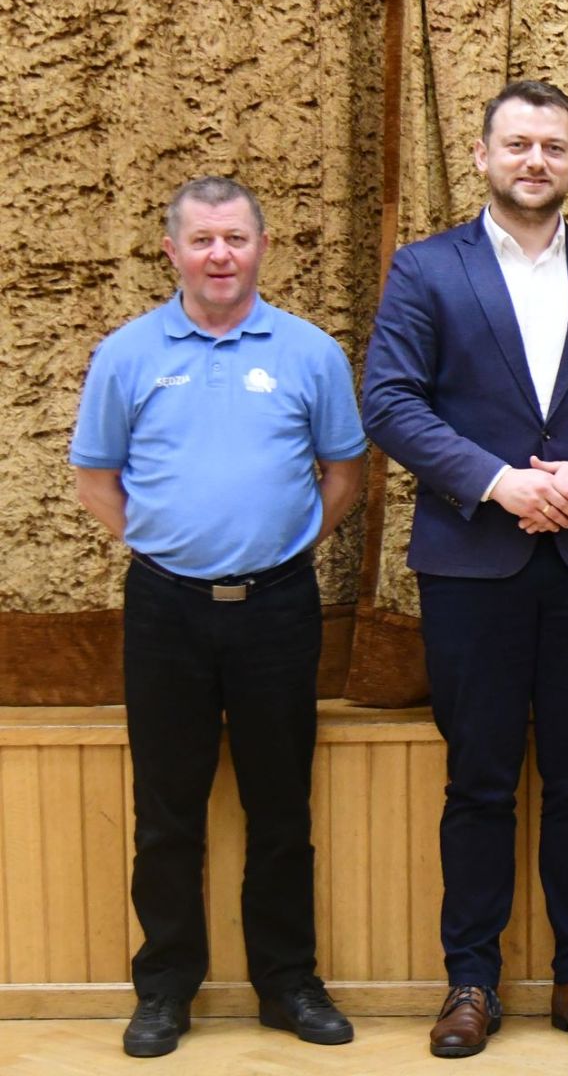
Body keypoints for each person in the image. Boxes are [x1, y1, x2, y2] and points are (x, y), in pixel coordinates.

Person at [362, 80, 568, 1058]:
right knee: (479, 782)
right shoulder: (426, 269)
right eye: (517, 144)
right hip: (471, 565)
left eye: (553, 145)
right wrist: (497, 483)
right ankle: (471, 982)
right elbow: (390, 402)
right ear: (482, 155)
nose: (535, 160)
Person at [71, 176, 364, 1058]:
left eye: (235, 238)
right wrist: (170, 547)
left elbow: (344, 475)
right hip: (166, 611)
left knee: (281, 809)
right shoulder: (126, 354)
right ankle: (164, 989)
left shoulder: (311, 353)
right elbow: (95, 482)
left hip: (278, 608)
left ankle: (289, 983)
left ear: (263, 247)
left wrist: (281, 545)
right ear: (172, 251)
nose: (220, 255)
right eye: (202, 240)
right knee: (167, 813)